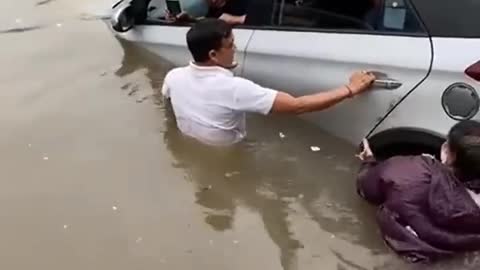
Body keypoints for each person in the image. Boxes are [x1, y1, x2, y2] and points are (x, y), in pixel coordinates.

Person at [161, 18, 376, 146]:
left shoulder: (173, 76)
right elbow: (297, 106)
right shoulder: (235, 88)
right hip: (228, 153)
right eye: (230, 45)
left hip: (193, 145)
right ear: (213, 55)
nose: (235, 48)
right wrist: (351, 88)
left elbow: (170, 107)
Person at [356, 120, 480, 263]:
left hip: (396, 252)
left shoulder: (412, 171)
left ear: (446, 153)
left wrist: (368, 162)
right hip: (451, 259)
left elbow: (367, 188)